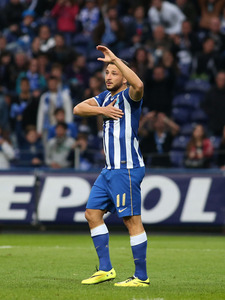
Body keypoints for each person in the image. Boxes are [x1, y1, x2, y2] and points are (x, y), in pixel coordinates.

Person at [73, 45, 149, 287]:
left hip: (126, 168)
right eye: (107, 72)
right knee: (92, 214)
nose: (108, 76)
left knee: (131, 221)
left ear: (124, 77)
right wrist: (102, 110)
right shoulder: (106, 98)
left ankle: (141, 277)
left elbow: (139, 86)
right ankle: (106, 269)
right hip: (109, 170)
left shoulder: (129, 97)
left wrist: (116, 58)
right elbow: (78, 108)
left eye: (114, 72)